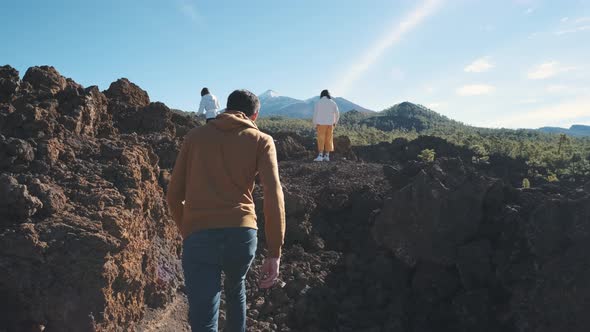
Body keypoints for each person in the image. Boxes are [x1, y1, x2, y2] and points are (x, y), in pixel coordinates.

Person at [167, 89, 286, 332]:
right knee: (236, 288)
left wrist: (187, 229)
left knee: (204, 312)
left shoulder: (194, 137)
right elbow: (274, 196)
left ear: (225, 109)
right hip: (242, 235)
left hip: (199, 234)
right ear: (254, 116)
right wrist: (274, 250)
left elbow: (174, 195)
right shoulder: (262, 140)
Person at [312, 89, 340, 162]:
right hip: (330, 124)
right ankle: (327, 156)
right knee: (329, 139)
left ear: (321, 95)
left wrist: (315, 124)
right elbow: (337, 114)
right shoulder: (333, 103)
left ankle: (320, 155)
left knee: (321, 139)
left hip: (320, 124)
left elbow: (315, 114)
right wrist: (335, 123)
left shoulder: (318, 102)